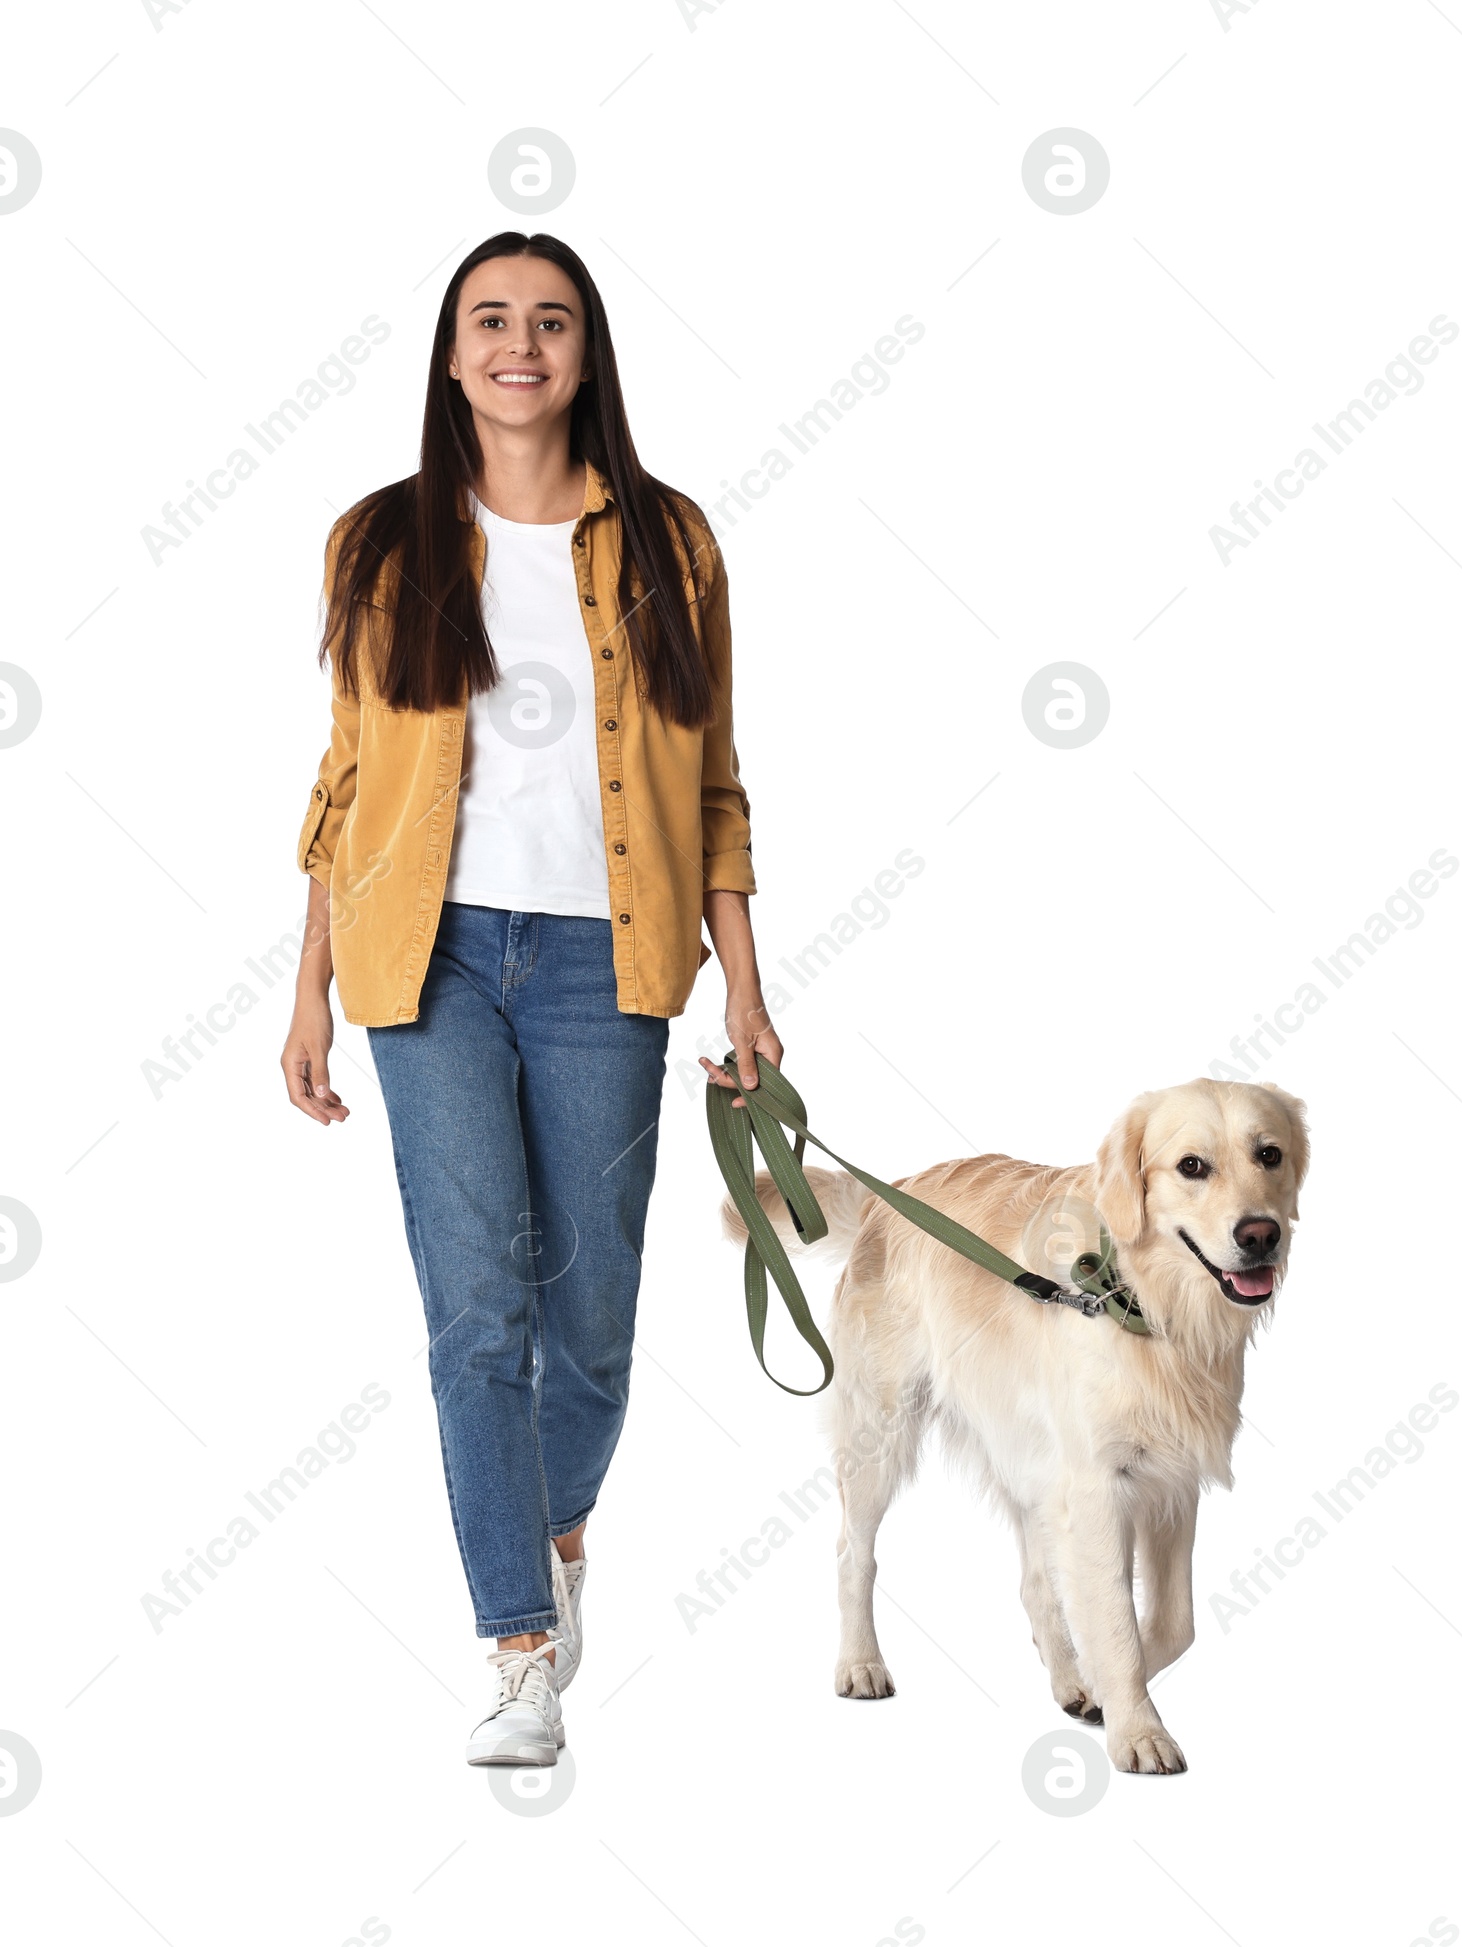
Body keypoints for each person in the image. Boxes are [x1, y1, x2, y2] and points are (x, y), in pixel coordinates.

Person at [279, 231, 780, 1767]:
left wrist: (748, 997)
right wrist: (307, 993)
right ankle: (517, 1650)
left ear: (586, 352)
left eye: (549, 320)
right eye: (489, 318)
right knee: (477, 1312)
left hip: (606, 966)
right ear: (449, 354)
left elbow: (714, 790)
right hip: (422, 961)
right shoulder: (379, 540)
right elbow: (350, 781)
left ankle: (556, 1533)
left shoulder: (672, 541)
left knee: (597, 1325)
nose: (519, 342)